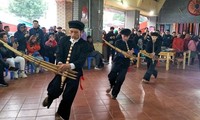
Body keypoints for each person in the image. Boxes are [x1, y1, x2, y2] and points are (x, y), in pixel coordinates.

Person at [42, 20, 89, 120]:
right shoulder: (63, 40)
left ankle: (60, 114)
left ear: (81, 32)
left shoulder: (85, 45)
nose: (73, 34)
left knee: (69, 95)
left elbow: (81, 60)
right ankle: (50, 97)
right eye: (71, 31)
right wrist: (59, 63)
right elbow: (59, 53)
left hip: (74, 72)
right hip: (61, 69)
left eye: (76, 32)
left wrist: (69, 66)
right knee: (55, 88)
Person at [106, 28, 134, 99]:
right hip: (117, 61)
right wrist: (125, 54)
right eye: (124, 36)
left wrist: (133, 51)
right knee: (111, 75)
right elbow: (118, 52)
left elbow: (137, 49)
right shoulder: (118, 42)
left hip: (125, 63)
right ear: (121, 35)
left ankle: (114, 93)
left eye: (127, 36)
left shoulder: (131, 42)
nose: (125, 38)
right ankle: (111, 85)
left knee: (120, 79)